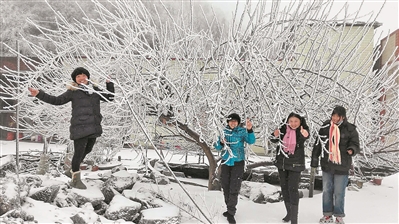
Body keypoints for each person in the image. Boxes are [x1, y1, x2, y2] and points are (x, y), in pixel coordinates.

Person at [28, 67, 115, 189]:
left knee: (88, 149)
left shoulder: (95, 90)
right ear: (75, 79)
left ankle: (71, 171)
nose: (81, 78)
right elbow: (57, 100)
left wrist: (109, 84)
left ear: (87, 77)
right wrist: (39, 94)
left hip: (94, 126)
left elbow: (109, 97)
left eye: (83, 75)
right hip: (79, 127)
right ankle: (76, 179)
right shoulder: (73, 92)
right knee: (78, 153)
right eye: (78, 76)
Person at [311, 106, 359, 224]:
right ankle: (327, 215)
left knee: (339, 192)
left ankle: (339, 216)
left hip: (342, 165)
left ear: (343, 117)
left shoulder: (350, 129)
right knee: (327, 191)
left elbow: (355, 144)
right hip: (327, 164)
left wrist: (352, 150)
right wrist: (314, 160)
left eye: (338, 116)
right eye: (333, 115)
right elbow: (319, 143)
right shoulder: (326, 126)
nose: (335, 118)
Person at [214, 113, 256, 224]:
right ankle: (229, 208)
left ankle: (231, 212)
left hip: (238, 162)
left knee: (234, 187)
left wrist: (250, 130)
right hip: (226, 162)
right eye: (231, 121)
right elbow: (217, 147)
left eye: (235, 121)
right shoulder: (224, 132)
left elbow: (251, 141)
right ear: (228, 122)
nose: (233, 123)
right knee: (226, 186)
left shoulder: (242, 131)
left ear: (238, 123)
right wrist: (220, 143)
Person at [270, 112, 310, 224]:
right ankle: (289, 213)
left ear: (300, 122)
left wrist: (304, 134)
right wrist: (274, 134)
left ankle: (294, 218)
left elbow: (305, 136)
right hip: (282, 163)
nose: (293, 124)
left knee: (293, 189)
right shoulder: (283, 129)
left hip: (295, 164)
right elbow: (272, 139)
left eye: (296, 121)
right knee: (285, 189)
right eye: (291, 121)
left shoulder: (301, 131)